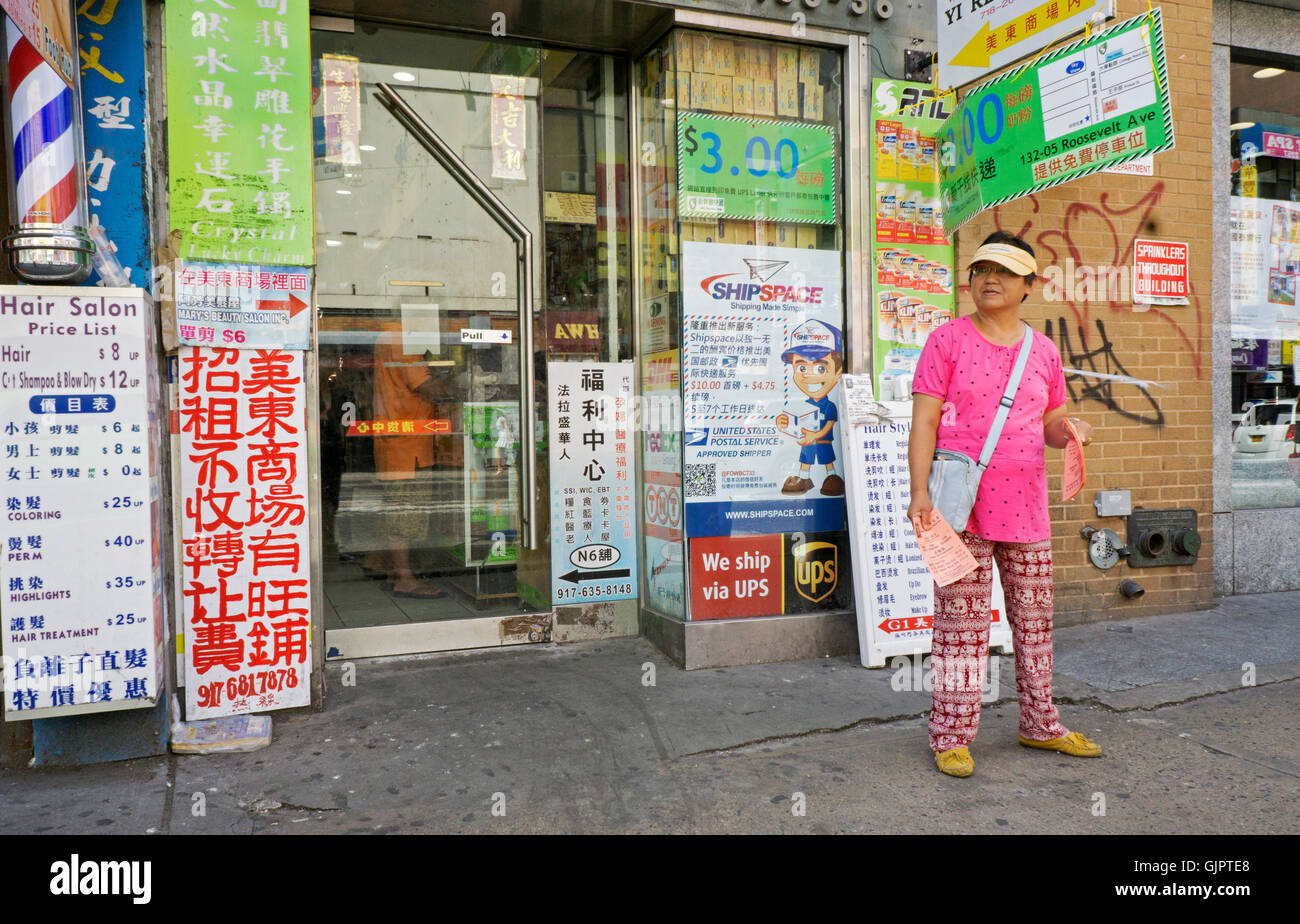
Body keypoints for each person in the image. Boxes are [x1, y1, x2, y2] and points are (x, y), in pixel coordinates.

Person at [906, 231, 1100, 778]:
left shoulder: (1043, 351)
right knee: (960, 628)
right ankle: (951, 735)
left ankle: (1040, 724)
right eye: (980, 269)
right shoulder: (946, 340)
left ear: (1028, 285)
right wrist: (919, 491)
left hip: (1028, 512)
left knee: (1034, 624)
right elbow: (924, 419)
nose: (989, 279)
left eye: (1004, 271)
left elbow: (1048, 425)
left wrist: (1073, 430)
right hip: (959, 508)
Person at [775, 319, 845, 497]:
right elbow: (794, 421)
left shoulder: (830, 405)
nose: (809, 376)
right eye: (802, 367)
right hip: (806, 440)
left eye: (821, 368)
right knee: (805, 460)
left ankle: (832, 477)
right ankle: (804, 478)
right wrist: (782, 424)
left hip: (823, 441)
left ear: (838, 373)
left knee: (827, 459)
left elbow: (829, 424)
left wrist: (815, 435)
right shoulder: (803, 405)